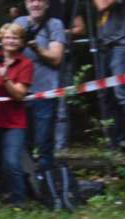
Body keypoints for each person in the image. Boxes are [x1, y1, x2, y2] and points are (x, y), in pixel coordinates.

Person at [14, 0, 66, 172]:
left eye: (39, 0)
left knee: (44, 142)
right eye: (31, 0)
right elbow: (8, 52)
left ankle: (47, 186)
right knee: (23, 142)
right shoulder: (19, 23)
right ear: (26, 3)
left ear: (47, 4)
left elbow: (56, 58)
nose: (35, 4)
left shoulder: (54, 24)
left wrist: (37, 49)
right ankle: (29, 185)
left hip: (45, 92)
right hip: (21, 92)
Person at [0, 23, 34, 207]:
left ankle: (19, 200)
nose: (11, 41)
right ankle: (2, 198)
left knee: (11, 162)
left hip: (14, 122)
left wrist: (5, 78)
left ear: (21, 42)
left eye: (15, 38)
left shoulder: (25, 64)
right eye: (7, 37)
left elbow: (19, 94)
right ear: (1, 40)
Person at [93, 0, 125, 151]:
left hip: (120, 45)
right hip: (105, 45)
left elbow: (102, 5)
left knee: (121, 92)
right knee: (106, 95)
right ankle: (115, 139)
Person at [48, 0, 85, 151]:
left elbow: (80, 28)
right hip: (39, 61)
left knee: (61, 104)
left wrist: (59, 32)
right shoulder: (33, 5)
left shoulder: (68, 3)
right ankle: (39, 146)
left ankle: (60, 147)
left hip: (64, 59)